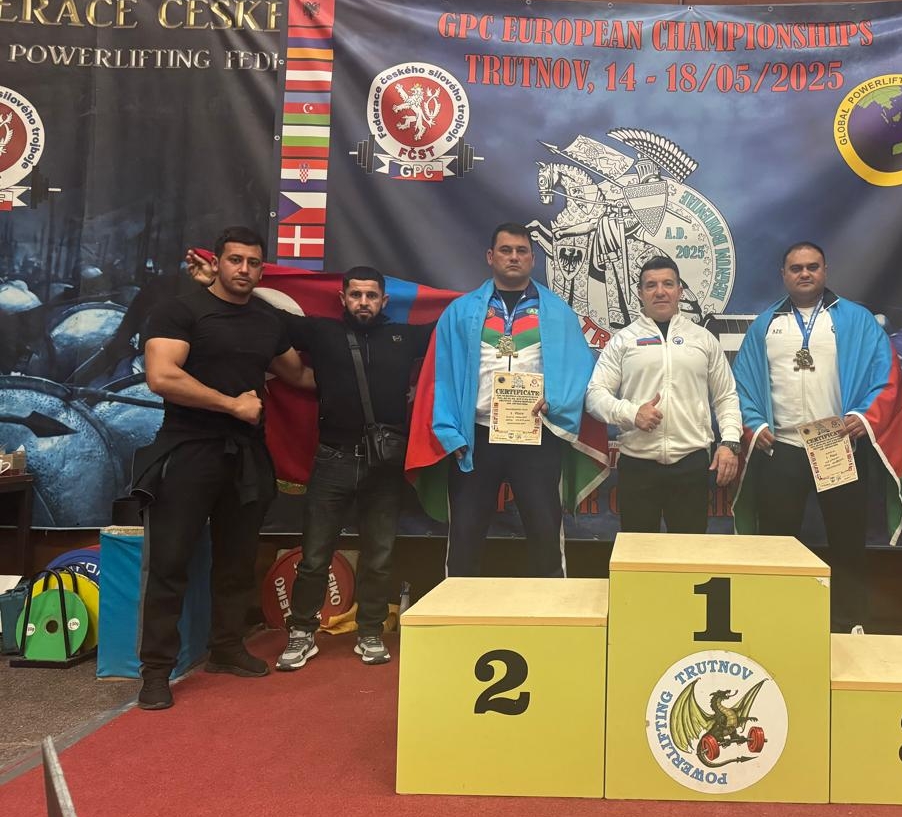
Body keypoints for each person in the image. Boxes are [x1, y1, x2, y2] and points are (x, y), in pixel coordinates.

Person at [186, 255, 436, 670]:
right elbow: (262, 315)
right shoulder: (321, 332)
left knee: (379, 556)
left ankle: (371, 631)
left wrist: (485, 301)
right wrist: (214, 285)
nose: (363, 302)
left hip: (384, 466)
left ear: (384, 301)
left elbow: (453, 327)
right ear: (342, 298)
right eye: (355, 295)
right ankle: (302, 632)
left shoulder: (404, 337)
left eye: (371, 296)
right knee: (315, 556)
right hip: (333, 460)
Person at [132, 227, 310, 710]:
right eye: (235, 260)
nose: (244, 270)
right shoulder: (178, 311)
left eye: (253, 262)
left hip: (246, 455)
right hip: (188, 449)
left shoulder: (267, 321)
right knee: (170, 562)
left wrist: (375, 383)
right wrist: (231, 405)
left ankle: (227, 648)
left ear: (262, 269)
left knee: (237, 559)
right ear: (218, 261)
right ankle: (155, 671)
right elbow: (161, 376)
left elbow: (299, 374)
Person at [733, 241, 902, 633]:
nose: (805, 273)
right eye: (796, 268)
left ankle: (851, 621)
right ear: (783, 275)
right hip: (783, 447)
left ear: (825, 270)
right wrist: (754, 424)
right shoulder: (766, 325)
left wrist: (864, 416)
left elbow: (887, 374)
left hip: (836, 444)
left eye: (812, 266)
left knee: (847, 539)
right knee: (777, 543)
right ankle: (776, 622)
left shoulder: (857, 320)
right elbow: (740, 384)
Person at [427, 223, 596, 576]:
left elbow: (581, 368)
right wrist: (449, 431)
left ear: (533, 259)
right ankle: (458, 605)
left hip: (536, 433)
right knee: (465, 532)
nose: (514, 257)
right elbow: (440, 374)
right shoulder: (460, 311)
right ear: (491, 256)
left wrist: (556, 401)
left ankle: (551, 605)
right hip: (476, 436)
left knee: (545, 530)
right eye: (506, 250)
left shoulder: (557, 312)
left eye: (521, 251)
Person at [585, 256, 741, 532]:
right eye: (651, 285)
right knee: (638, 551)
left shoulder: (703, 339)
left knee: (689, 551)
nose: (660, 291)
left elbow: (726, 396)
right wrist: (632, 413)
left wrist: (730, 442)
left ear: (680, 291)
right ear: (639, 293)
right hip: (638, 466)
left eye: (668, 284)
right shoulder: (623, 340)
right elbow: (595, 395)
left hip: (691, 464)